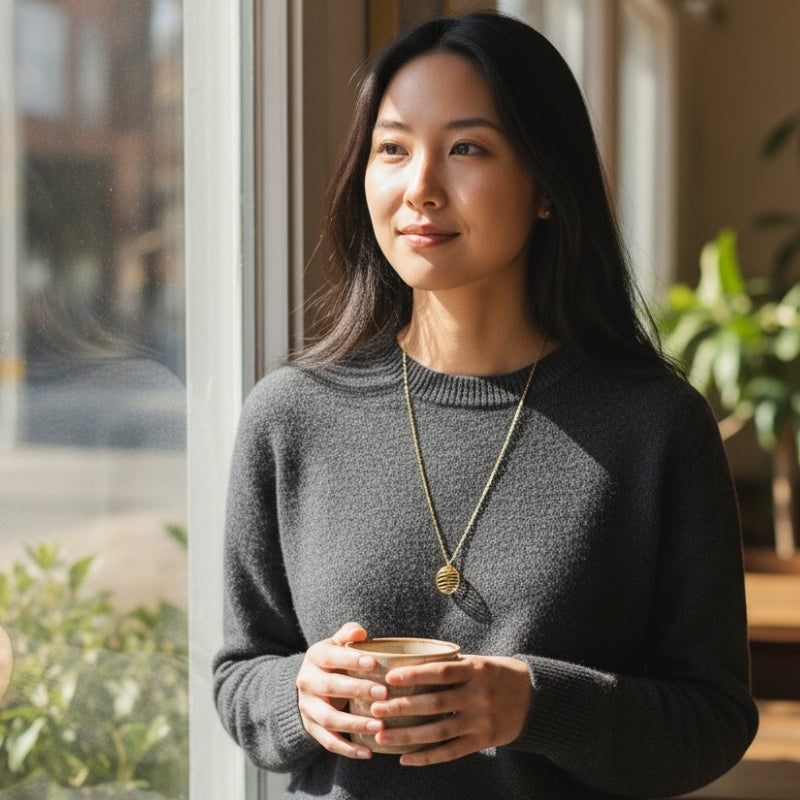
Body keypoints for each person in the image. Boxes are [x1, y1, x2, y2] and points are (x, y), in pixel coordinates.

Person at [213, 12, 758, 799]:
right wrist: (297, 694)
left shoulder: (656, 425)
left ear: (545, 185)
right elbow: (240, 673)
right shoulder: (291, 414)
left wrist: (534, 705)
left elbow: (712, 721)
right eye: (393, 148)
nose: (420, 187)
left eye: (466, 148)